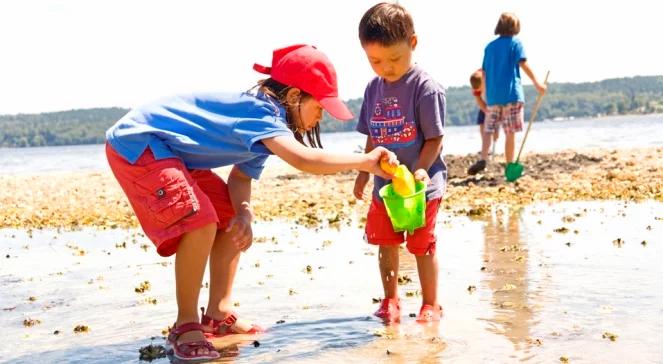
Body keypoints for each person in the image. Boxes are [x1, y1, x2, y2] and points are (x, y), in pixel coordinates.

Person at [105, 44, 397, 362]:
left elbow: (240, 179)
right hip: (139, 142)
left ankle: (218, 313)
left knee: (228, 215)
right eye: (320, 106)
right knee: (201, 220)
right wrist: (366, 162)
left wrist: (245, 214)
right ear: (294, 96)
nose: (320, 117)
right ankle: (185, 325)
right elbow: (304, 159)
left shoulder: (266, 127)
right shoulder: (262, 114)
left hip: (172, 152)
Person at [353, 2, 446, 323]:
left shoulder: (425, 88)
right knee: (385, 241)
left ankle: (430, 303)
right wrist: (363, 173)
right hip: (385, 187)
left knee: (421, 244)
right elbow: (371, 137)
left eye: (394, 58)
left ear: (413, 44)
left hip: (422, 188)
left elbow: (435, 138)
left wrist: (421, 168)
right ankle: (390, 299)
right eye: (375, 60)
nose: (386, 68)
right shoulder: (372, 89)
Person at [467, 12, 546, 175]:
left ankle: (483, 158)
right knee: (510, 133)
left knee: (488, 130)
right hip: (512, 95)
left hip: (493, 97)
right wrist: (538, 83)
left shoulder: (489, 47)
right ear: (515, 27)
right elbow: (523, 64)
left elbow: (484, 72)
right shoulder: (515, 44)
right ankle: (510, 166)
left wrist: (480, 93)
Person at [467, 69, 498, 175]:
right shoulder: (476, 85)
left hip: (495, 102)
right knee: (482, 126)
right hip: (485, 104)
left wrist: (495, 126)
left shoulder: (490, 80)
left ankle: (491, 145)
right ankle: (486, 148)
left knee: (494, 130)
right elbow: (478, 98)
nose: (478, 90)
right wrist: (486, 111)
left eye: (480, 88)